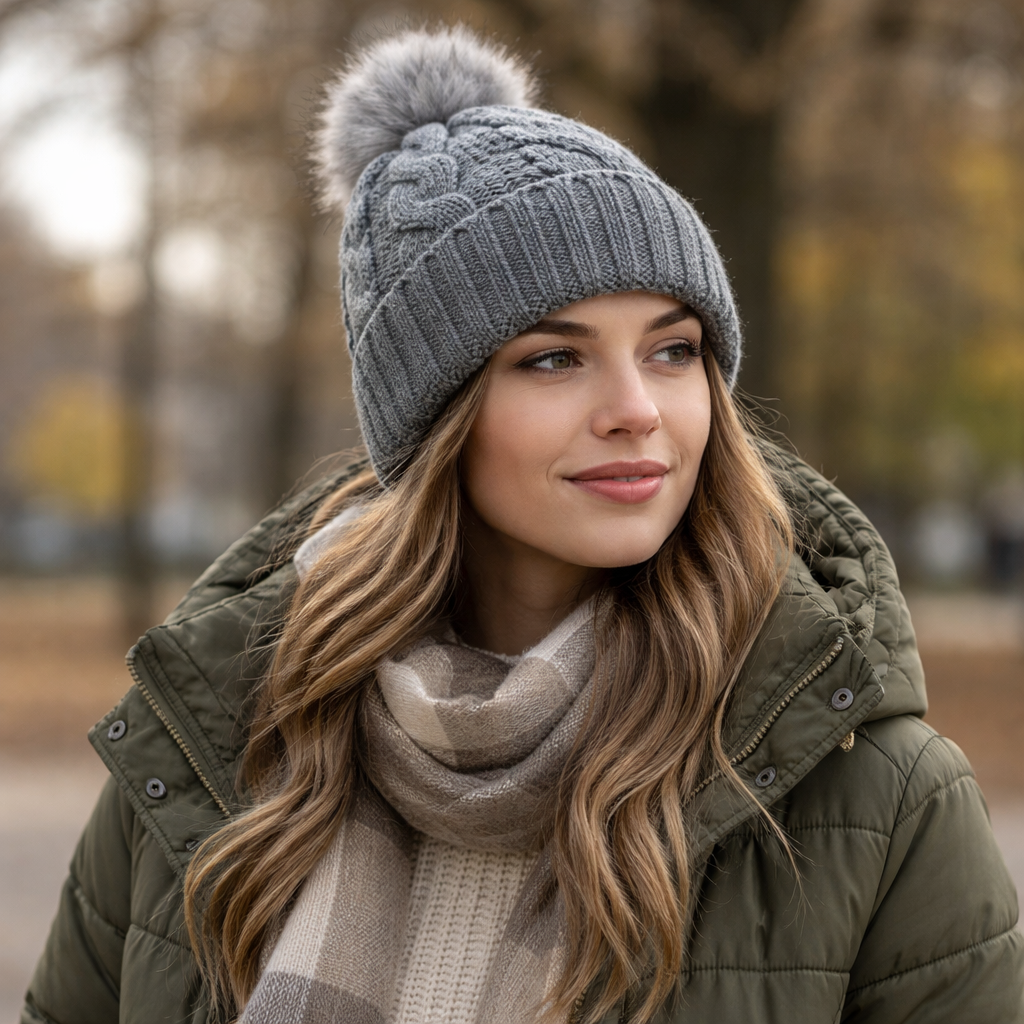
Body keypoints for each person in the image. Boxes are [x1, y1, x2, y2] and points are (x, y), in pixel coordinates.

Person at [22, 25, 1023, 1024]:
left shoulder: (876, 799)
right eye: (554, 358)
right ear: (435, 417)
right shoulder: (210, 750)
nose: (637, 407)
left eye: (674, 351)